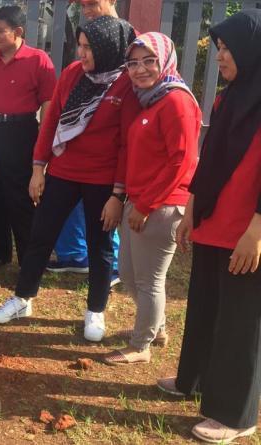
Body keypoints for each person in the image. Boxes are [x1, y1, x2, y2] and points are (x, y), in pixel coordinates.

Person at [0, 16, 141, 343]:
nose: (82, 54)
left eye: (89, 48)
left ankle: (95, 309)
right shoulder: (73, 74)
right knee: (40, 237)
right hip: (63, 172)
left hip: (103, 180)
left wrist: (118, 195)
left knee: (100, 246)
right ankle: (23, 299)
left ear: (108, 48)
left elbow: (127, 143)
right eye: (80, 46)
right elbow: (52, 121)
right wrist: (38, 168)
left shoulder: (125, 83)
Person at [158, 10, 261, 443]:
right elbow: (210, 157)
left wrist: (257, 231)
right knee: (204, 307)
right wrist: (192, 208)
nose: (220, 56)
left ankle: (238, 413)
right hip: (214, 220)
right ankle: (193, 379)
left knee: (241, 320)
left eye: (227, 48)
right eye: (217, 48)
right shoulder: (228, 97)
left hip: (247, 229)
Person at [103, 32, 200, 365]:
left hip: (161, 205)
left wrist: (146, 205)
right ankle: (156, 328)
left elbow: (183, 160)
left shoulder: (176, 101)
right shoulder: (150, 99)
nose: (140, 69)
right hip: (139, 201)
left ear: (165, 60)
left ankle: (140, 345)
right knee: (130, 276)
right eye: (133, 63)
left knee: (148, 280)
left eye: (149, 61)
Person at [0, 5, 56, 272]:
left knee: (22, 198)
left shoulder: (38, 60)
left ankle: (30, 260)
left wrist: (43, 144)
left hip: (21, 134)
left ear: (18, 32)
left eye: (0, 31)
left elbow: (49, 105)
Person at [47, 0, 129, 282]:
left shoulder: (126, 39)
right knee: (69, 204)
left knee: (103, 215)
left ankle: (111, 263)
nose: (88, 9)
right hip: (74, 144)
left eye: (93, 3)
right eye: (82, 5)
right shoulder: (83, 34)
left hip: (105, 153)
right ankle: (74, 255)